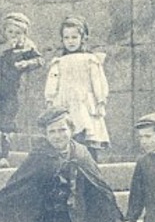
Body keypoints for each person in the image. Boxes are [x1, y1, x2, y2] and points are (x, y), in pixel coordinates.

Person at [0, 12, 44, 168]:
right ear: (4, 31)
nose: (13, 36)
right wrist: (5, 47)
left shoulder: (27, 45)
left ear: (24, 34)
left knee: (7, 121)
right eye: (10, 32)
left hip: (11, 89)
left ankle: (4, 155)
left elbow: (39, 60)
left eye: (18, 33)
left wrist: (26, 64)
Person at [43, 16, 110, 157]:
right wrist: (50, 100)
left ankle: (90, 163)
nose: (70, 41)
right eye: (66, 38)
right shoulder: (59, 62)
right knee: (67, 133)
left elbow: (97, 81)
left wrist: (100, 100)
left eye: (74, 37)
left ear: (82, 38)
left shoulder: (90, 60)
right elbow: (53, 82)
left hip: (84, 102)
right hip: (64, 102)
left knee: (86, 133)